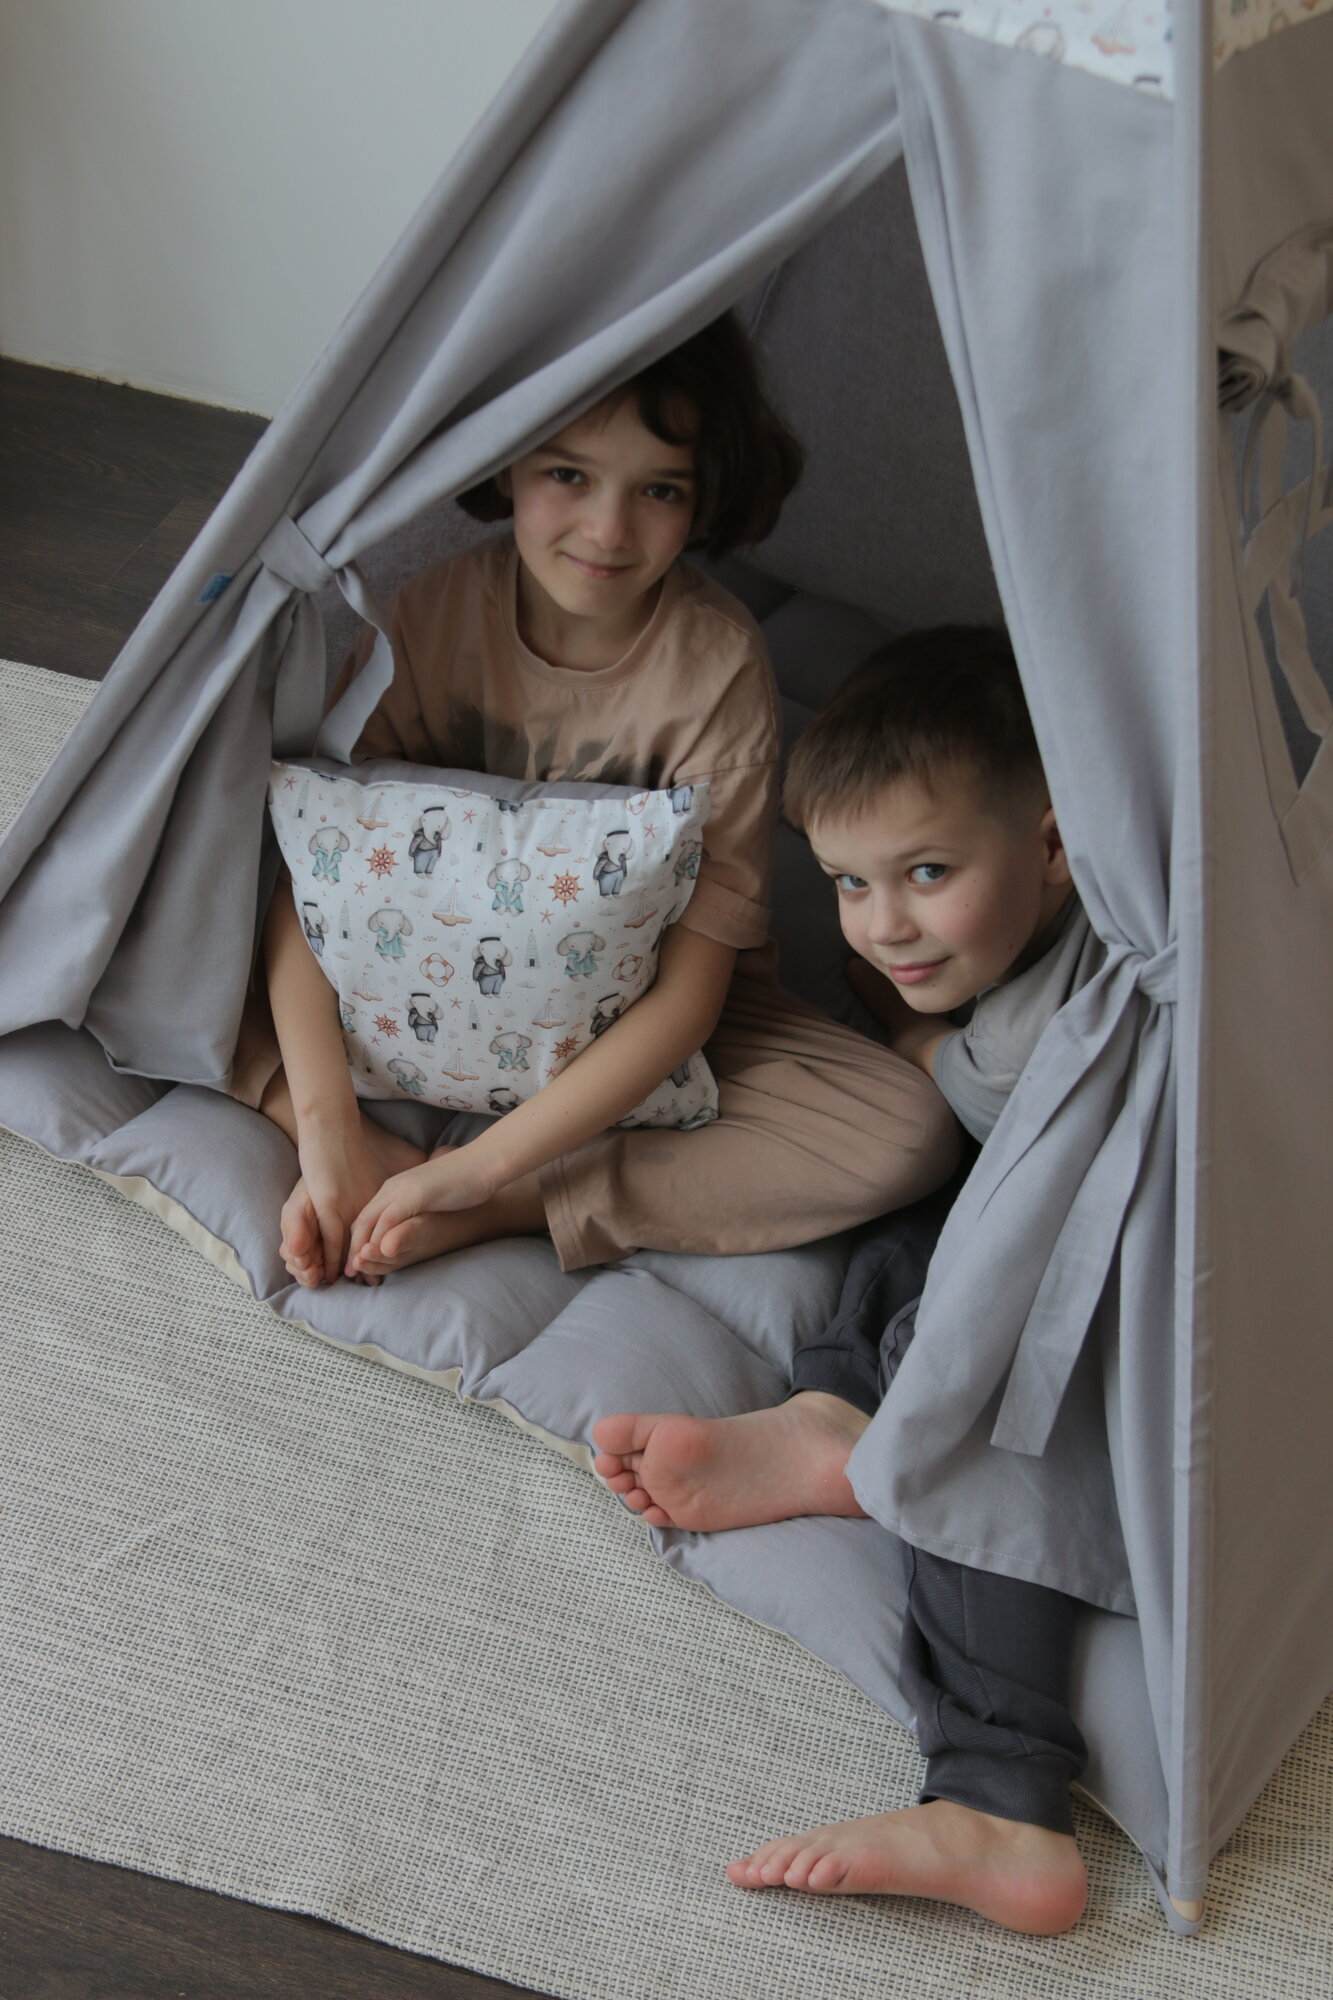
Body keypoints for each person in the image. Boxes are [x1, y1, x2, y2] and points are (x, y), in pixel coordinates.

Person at [249, 313, 960, 1290]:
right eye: (567, 475)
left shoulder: (716, 669)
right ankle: (349, 1153)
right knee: (163, 948)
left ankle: (524, 1205)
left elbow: (689, 996)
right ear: (507, 465)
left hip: (638, 1011)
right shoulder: (426, 616)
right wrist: (324, 1127)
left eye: (659, 490)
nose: (607, 531)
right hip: (402, 973)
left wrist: (482, 1175)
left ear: (703, 495)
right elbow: (313, 882)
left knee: (905, 1132)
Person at [593, 627, 1104, 1936]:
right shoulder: (1053, 923)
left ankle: (1003, 1799)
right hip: (1060, 1199)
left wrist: (916, 1032)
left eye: (927, 872)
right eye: (847, 882)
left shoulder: (1062, 1023)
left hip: (1150, 1287)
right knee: (933, 1207)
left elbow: (965, 1087)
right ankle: (838, 1414)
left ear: (1056, 843)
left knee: (991, 1382)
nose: (883, 925)